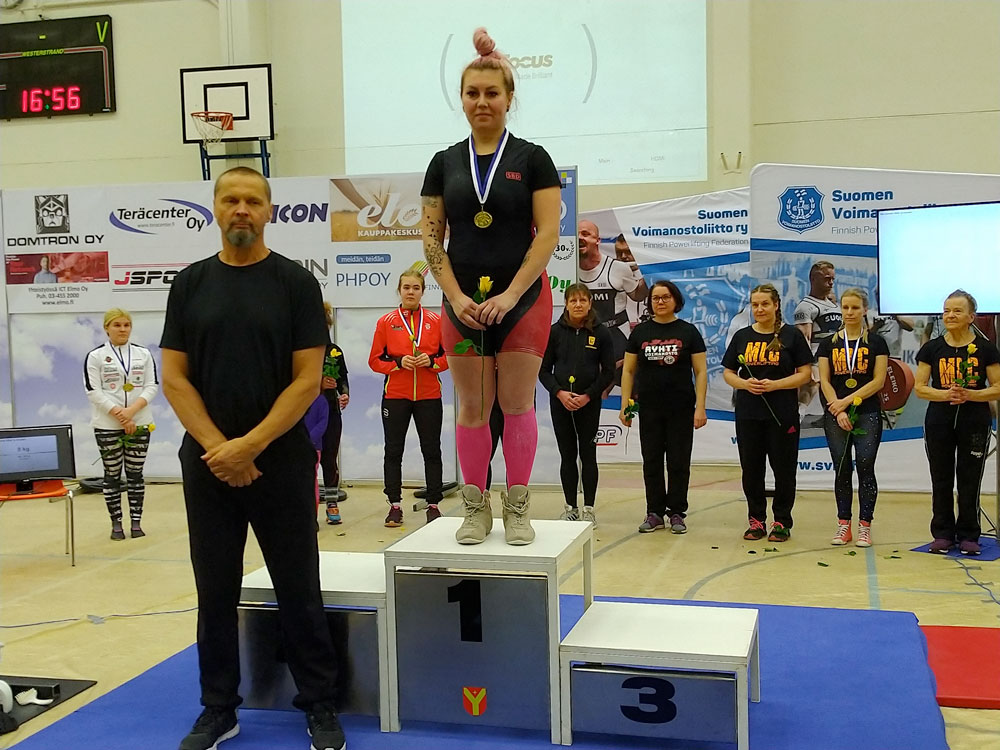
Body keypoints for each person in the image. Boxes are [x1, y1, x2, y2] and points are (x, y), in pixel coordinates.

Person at [160, 166, 345, 750]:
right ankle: (219, 708)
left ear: (269, 211)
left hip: (280, 459)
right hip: (209, 464)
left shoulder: (295, 283)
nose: (241, 209)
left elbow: (307, 379)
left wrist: (251, 445)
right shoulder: (189, 284)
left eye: (252, 201)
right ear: (215, 208)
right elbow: (174, 378)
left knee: (298, 585)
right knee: (214, 589)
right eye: (231, 199)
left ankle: (319, 703)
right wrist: (220, 448)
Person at [420, 27, 561, 545]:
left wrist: (510, 294)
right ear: (461, 99)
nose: (482, 102)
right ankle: (475, 509)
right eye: (472, 93)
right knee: (473, 407)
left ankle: (517, 507)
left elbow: (549, 234)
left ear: (508, 98)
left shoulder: (533, 158)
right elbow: (431, 239)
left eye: (492, 93)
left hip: (522, 301)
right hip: (463, 304)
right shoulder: (443, 163)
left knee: (517, 404)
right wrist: (457, 297)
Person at [722, 283, 812, 542]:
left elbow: (805, 374)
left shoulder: (792, 336)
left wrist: (776, 385)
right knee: (751, 469)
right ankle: (756, 520)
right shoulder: (742, 336)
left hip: (782, 414)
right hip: (748, 414)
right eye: (755, 304)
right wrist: (744, 384)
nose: (759, 309)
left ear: (776, 305)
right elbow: (729, 373)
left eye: (764, 304)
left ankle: (782, 521)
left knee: (784, 470)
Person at [914, 289, 1000, 556]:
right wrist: (945, 395)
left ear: (971, 316)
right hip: (939, 420)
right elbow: (919, 388)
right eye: (946, 311)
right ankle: (942, 534)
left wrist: (971, 395)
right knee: (940, 478)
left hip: (975, 420)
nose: (950, 315)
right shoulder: (932, 348)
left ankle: (969, 535)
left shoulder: (986, 349)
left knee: (969, 479)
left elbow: (997, 387)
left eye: (957, 311)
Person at [619, 280, 708, 534]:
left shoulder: (689, 332)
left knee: (679, 461)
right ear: (650, 303)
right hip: (649, 408)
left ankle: (677, 512)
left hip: (681, 408)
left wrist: (700, 407)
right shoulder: (640, 332)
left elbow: (701, 372)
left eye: (665, 297)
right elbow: (628, 371)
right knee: (652, 461)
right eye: (655, 298)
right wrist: (625, 405)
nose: (660, 302)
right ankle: (655, 512)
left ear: (675, 300)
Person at [368, 269, 448, 526]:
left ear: (423, 291)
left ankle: (433, 504)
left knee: (431, 449)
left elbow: (449, 357)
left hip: (429, 395)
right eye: (406, 287)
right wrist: (398, 363)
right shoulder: (386, 322)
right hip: (396, 395)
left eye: (416, 287)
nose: (411, 292)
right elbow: (374, 361)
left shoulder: (436, 321)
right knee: (393, 450)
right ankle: (394, 505)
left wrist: (432, 362)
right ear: (399, 291)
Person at [817, 288, 888, 547]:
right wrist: (838, 409)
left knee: (866, 467)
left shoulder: (876, 343)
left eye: (855, 308)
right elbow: (824, 380)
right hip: (836, 414)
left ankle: (865, 526)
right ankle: (843, 524)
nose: (849, 312)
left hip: (867, 412)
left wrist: (846, 402)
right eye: (845, 307)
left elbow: (878, 381)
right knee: (842, 468)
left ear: (864, 309)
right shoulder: (828, 343)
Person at [539, 283, 614, 525]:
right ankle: (570, 507)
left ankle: (589, 508)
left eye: (583, 300)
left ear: (590, 304)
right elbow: (543, 371)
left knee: (588, 455)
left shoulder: (601, 333)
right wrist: (559, 393)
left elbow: (609, 372)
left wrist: (588, 396)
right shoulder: (554, 332)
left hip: (588, 404)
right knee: (567, 455)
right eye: (573, 301)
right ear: (566, 304)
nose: (578, 305)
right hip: (561, 404)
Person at [84, 308, 158, 540]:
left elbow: (152, 386)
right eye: (117, 325)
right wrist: (119, 414)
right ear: (106, 328)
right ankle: (116, 524)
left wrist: (131, 412)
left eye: (127, 325)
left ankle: (136, 522)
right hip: (107, 423)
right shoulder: (95, 356)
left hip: (140, 422)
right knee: (112, 474)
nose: (123, 329)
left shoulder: (143, 354)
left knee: (135, 474)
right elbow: (93, 390)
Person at [579, 220, 647, 388]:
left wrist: (648, 271)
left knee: (628, 384)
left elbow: (638, 296)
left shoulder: (618, 268)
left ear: (598, 240)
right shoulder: (566, 269)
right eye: (577, 234)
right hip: (584, 334)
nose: (580, 238)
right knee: (586, 385)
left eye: (586, 234)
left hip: (616, 334)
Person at [793, 261, 842, 417]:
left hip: (837, 356)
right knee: (811, 387)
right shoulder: (805, 307)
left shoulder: (834, 305)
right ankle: (797, 418)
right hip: (817, 357)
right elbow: (803, 340)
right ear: (814, 279)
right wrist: (806, 366)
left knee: (835, 393)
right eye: (827, 279)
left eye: (833, 279)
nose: (831, 283)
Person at [320, 302, 349, 525]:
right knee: (307, 461)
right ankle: (308, 508)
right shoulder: (297, 350)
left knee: (329, 459)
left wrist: (344, 393)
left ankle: (332, 503)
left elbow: (342, 379)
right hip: (305, 412)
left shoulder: (334, 351)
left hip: (331, 411)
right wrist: (317, 384)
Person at [614, 234, 649, 330]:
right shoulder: (610, 275)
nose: (623, 256)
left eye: (628, 252)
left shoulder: (655, 275)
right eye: (619, 252)